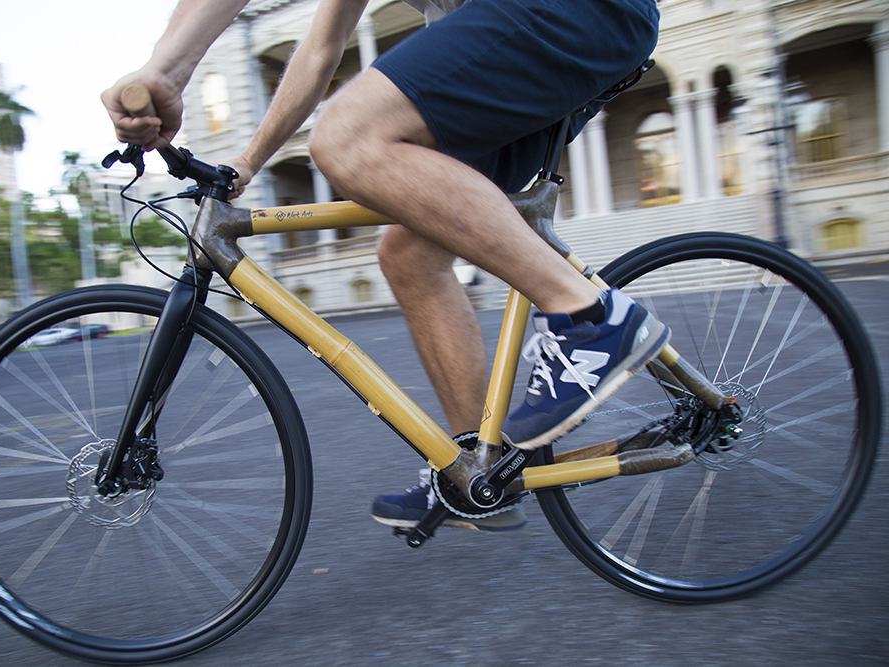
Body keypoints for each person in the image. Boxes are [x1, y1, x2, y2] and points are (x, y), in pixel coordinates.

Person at [103, 0, 668, 532]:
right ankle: (474, 471)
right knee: (408, 252)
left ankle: (590, 317)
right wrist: (247, 161)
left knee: (347, 136)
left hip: (574, 12)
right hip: (544, 32)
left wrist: (166, 71)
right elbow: (321, 50)